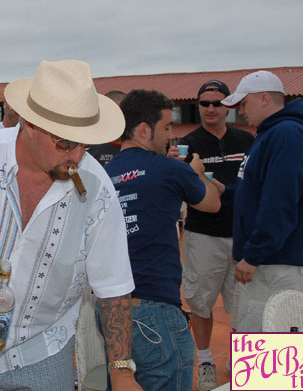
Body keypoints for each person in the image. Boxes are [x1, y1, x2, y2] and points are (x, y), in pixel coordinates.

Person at [0, 60, 141, 391]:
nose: (78, 156)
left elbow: (114, 286)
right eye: (66, 142)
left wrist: (122, 371)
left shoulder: (98, 190)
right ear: (31, 126)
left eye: (86, 144)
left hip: (44, 356)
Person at [104, 89, 220, 391]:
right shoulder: (170, 168)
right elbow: (211, 204)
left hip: (112, 310)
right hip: (156, 309)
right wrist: (196, 173)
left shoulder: (103, 174)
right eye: (167, 127)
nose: (170, 135)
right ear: (145, 129)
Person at [219, 70, 303, 332]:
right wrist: (226, 191)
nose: (240, 112)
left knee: (270, 349)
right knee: (262, 342)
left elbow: (281, 203)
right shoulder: (272, 134)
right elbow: (261, 192)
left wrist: (253, 254)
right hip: (274, 260)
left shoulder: (286, 134)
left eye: (243, 104)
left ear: (265, 98)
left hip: (278, 263)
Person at [169, 80, 253, 390]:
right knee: (201, 303)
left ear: (229, 105)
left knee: (243, 306)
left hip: (242, 236)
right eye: (205, 103)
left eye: (218, 102)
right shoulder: (187, 143)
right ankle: (204, 361)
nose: (211, 108)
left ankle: (241, 360)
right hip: (202, 235)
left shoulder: (247, 140)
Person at [87, 90, 127, 166]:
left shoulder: (141, 147)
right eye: (115, 113)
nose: (120, 118)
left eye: (124, 113)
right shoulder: (89, 149)